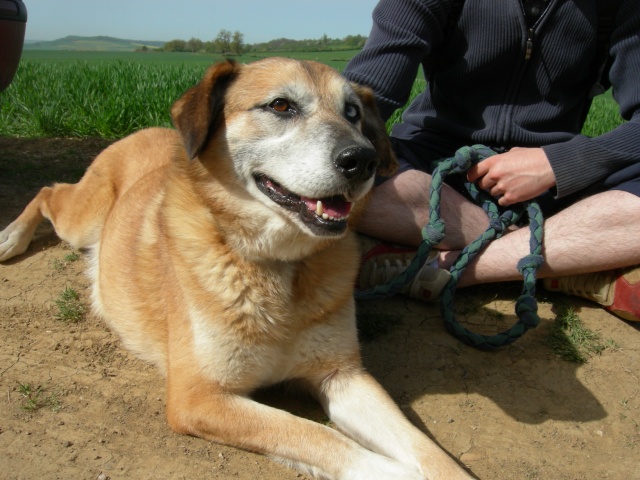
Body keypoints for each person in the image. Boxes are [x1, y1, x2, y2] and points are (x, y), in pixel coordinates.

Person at [343, 0, 640, 321]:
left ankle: (450, 267)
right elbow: (367, 94)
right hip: (434, 174)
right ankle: (569, 261)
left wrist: (558, 163)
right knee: (356, 175)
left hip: (558, 187)